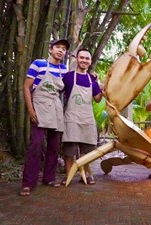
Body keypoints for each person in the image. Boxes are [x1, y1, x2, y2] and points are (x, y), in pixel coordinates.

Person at [20, 39, 70, 196]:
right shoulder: (38, 64)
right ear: (50, 49)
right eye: (58, 47)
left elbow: (68, 87)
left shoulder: (64, 69)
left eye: (64, 49)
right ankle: (28, 183)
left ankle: (49, 178)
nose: (61, 51)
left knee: (54, 146)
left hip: (56, 108)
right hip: (40, 107)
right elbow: (26, 87)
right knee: (36, 144)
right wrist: (30, 109)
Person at [61, 48, 103, 186]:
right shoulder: (68, 77)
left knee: (88, 150)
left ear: (90, 61)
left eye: (87, 58)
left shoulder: (92, 80)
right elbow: (56, 90)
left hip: (87, 118)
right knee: (69, 150)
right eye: (82, 58)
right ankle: (69, 176)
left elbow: (97, 99)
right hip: (72, 117)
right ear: (77, 59)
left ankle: (86, 175)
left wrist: (103, 88)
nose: (84, 60)